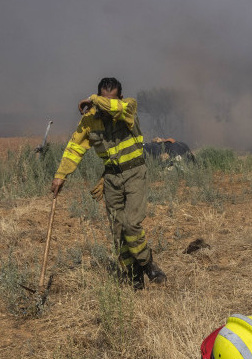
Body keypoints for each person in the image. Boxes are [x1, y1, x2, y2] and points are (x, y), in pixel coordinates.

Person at [50, 77, 166, 288]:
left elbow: (115, 107)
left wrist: (93, 99)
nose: (105, 106)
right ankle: (133, 275)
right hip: (111, 179)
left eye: (109, 100)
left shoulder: (128, 107)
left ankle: (147, 263)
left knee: (132, 223)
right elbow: (74, 149)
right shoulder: (90, 120)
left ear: (120, 98)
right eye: (102, 100)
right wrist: (61, 175)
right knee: (118, 229)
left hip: (135, 174)